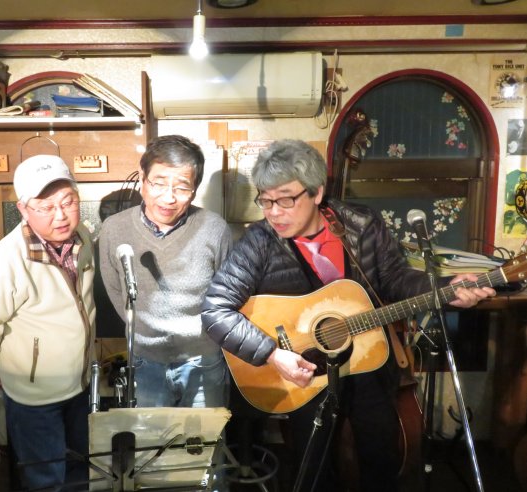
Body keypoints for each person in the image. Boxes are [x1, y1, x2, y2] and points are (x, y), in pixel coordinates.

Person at [201, 139, 495, 492]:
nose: (274, 212)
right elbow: (215, 310)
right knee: (314, 471)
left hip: (368, 361)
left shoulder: (361, 224)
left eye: (285, 199)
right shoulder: (259, 242)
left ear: (316, 192)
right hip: (305, 372)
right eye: (266, 200)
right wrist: (272, 353)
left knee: (381, 460)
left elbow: (395, 279)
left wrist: (447, 289)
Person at [0, 154, 95, 491]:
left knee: (81, 474)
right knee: (45, 480)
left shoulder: (82, 237)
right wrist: (21, 362)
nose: (60, 215)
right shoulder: (5, 262)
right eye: (46, 207)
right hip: (35, 398)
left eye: (68, 202)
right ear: (23, 209)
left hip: (80, 384)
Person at [98, 134, 232, 409]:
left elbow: (228, 296)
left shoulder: (214, 228)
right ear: (143, 179)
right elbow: (114, 287)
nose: (169, 197)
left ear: (194, 189)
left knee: (204, 435)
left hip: (203, 359)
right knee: (151, 436)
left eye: (182, 187)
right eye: (158, 183)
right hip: (144, 361)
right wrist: (144, 332)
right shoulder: (114, 229)